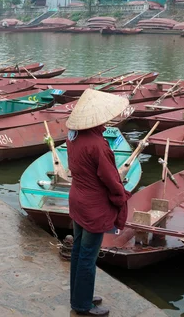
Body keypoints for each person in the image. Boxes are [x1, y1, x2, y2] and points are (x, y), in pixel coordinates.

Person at [65, 89, 132, 316]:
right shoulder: (97, 144)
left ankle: (79, 294)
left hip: (77, 199)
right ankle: (82, 304)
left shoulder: (72, 135)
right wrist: (121, 196)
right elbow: (110, 179)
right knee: (87, 255)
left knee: (78, 249)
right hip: (93, 206)